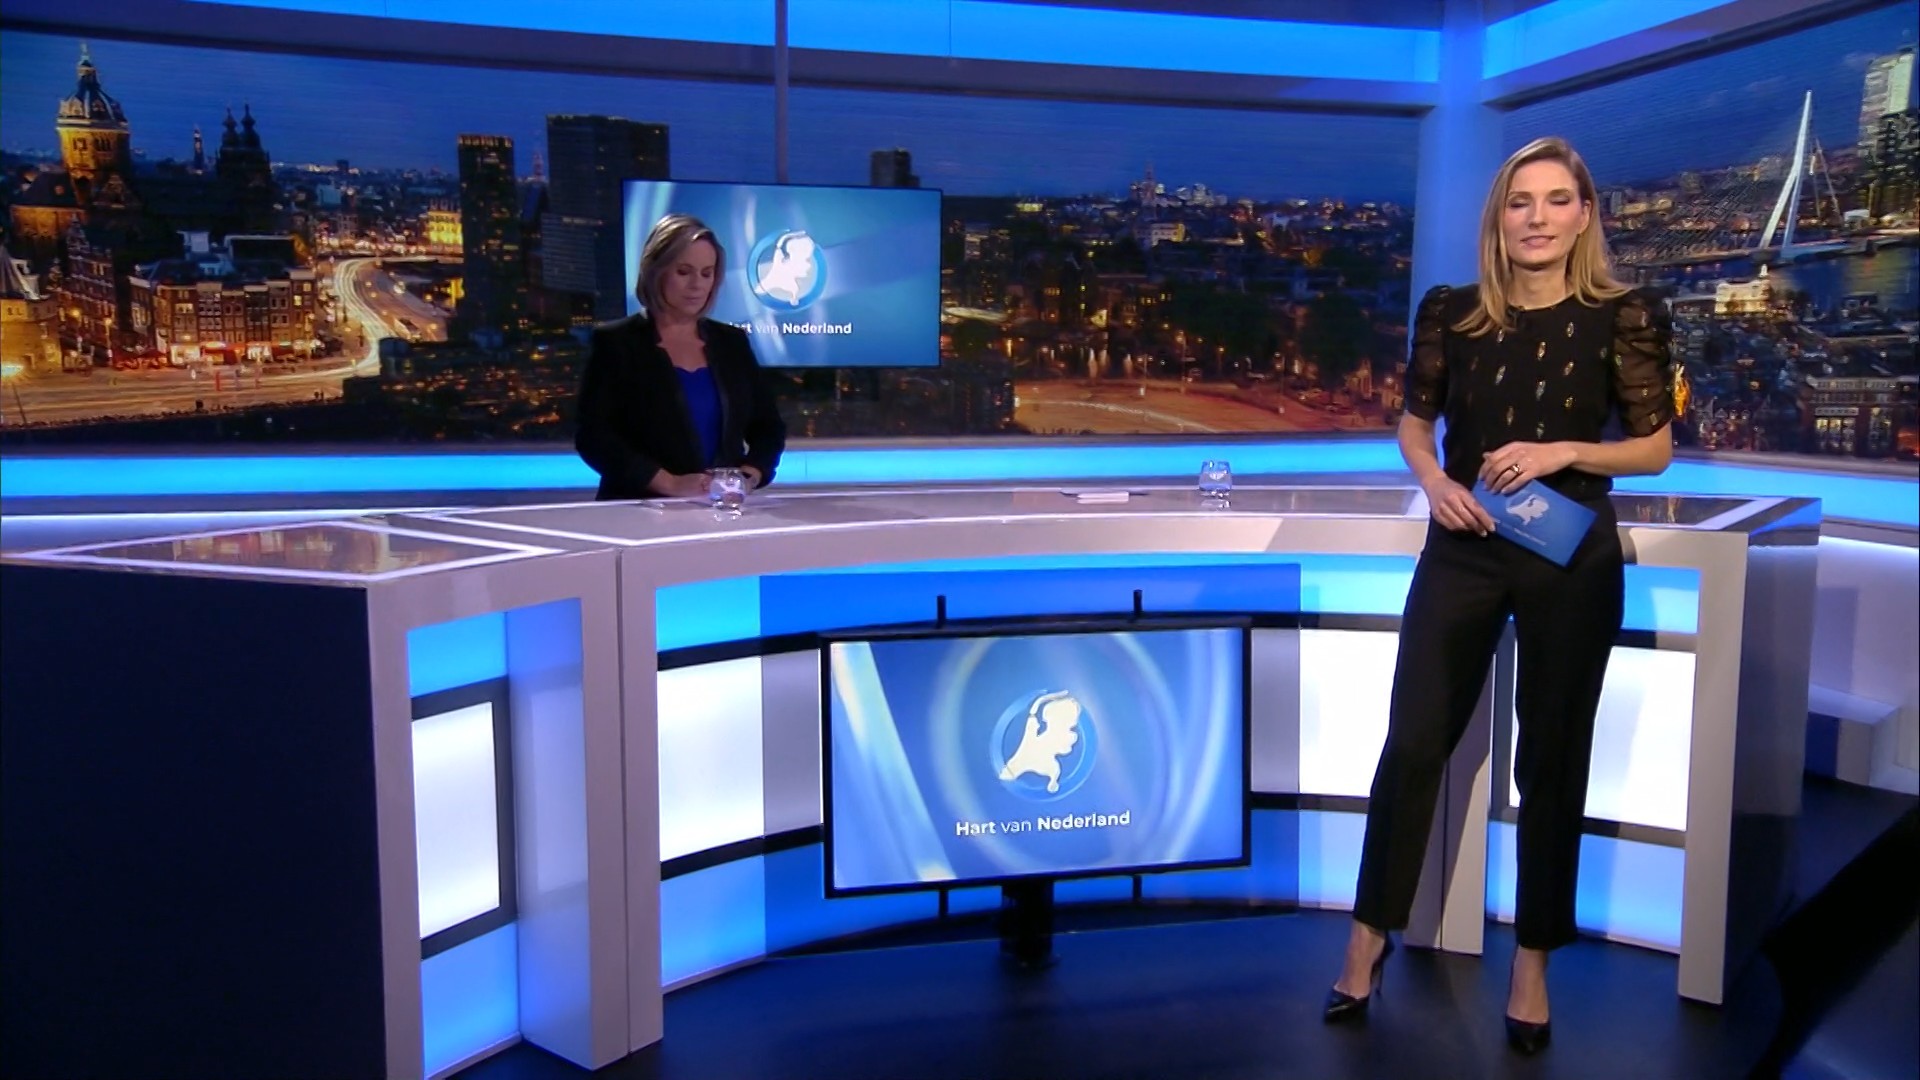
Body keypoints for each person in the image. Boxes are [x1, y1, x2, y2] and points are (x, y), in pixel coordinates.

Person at [1322, 137, 1675, 1055]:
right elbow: (1414, 425)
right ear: (1499, 216)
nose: (1538, 218)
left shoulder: (1626, 315)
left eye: (1557, 200)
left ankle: (1532, 964)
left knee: (1552, 762)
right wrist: (1434, 481)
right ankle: (1366, 940)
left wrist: (1564, 452)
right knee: (1412, 743)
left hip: (1568, 553)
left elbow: (1654, 449)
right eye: (1521, 201)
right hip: (1465, 543)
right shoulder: (1454, 313)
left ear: (1585, 215)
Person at [575, 213, 786, 500]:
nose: (697, 284)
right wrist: (669, 484)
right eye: (684, 272)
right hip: (637, 509)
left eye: (706, 273)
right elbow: (594, 437)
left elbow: (768, 427)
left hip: (721, 510)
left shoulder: (732, 343)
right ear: (655, 271)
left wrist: (749, 475)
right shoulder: (616, 343)